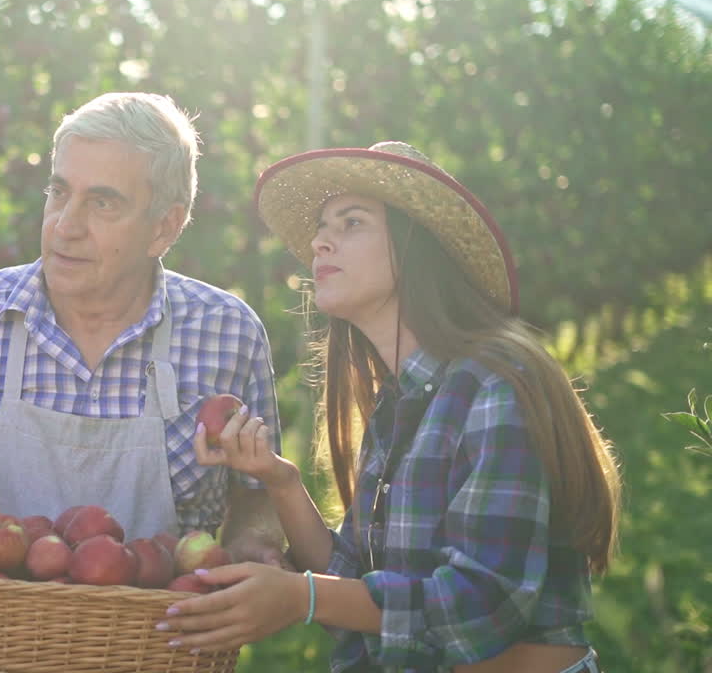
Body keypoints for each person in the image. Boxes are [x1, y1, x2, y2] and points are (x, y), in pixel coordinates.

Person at [159, 142, 621, 672]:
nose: (319, 242)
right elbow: (361, 595)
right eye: (322, 227)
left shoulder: (496, 383)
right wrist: (281, 482)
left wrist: (301, 595)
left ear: (413, 247)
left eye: (351, 223)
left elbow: (482, 603)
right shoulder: (400, 402)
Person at [0, 92, 288, 608]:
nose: (66, 225)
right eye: (59, 192)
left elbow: (257, 498)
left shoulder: (227, 333)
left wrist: (253, 545)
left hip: (156, 655)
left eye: (103, 203)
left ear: (164, 227)